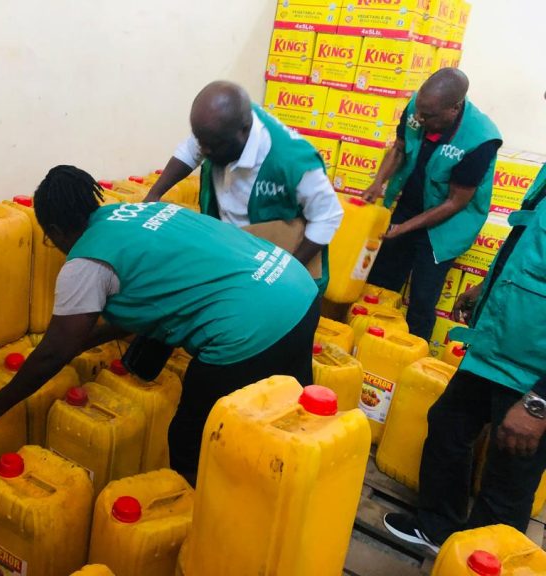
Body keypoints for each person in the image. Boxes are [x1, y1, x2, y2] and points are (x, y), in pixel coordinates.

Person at [0, 165, 321, 482]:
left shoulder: (87, 262)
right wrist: (82, 341)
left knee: (192, 437)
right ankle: (299, 487)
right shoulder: (137, 213)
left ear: (54, 231)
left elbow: (54, 351)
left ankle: (201, 521)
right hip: (296, 288)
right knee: (290, 417)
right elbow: (152, 298)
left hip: (250, 327)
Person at [383, 163, 546, 552]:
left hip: (532, 372)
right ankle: (438, 528)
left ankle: (479, 559)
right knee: (449, 424)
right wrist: (486, 287)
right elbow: (530, 247)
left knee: (508, 476)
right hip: (497, 347)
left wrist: (540, 402)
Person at [144, 80, 342, 290]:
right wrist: (153, 195)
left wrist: (287, 270)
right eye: (202, 142)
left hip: (280, 259)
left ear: (244, 130)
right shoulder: (218, 129)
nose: (205, 151)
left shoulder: (293, 162)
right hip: (233, 249)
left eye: (213, 146)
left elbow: (327, 216)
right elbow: (190, 150)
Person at [362, 68, 501, 341]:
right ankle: (368, 341)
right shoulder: (421, 106)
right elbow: (399, 148)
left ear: (454, 108)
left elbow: (455, 202)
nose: (419, 119)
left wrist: (404, 228)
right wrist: (378, 182)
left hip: (447, 225)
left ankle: (412, 352)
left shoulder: (480, 139)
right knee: (380, 283)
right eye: (419, 111)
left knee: (422, 300)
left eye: (427, 116)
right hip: (411, 205)